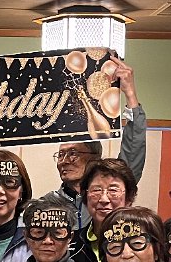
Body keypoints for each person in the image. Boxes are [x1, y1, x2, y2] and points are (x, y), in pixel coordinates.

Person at [44, 53, 146, 227]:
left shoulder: (111, 195)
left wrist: (130, 94)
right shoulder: (47, 204)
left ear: (95, 157)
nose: (64, 161)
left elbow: (133, 149)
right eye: (60, 155)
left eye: (73, 153)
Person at [70, 158, 139, 262]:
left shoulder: (140, 244)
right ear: (85, 196)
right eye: (96, 190)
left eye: (113, 190)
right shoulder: (71, 243)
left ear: (129, 198)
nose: (104, 199)